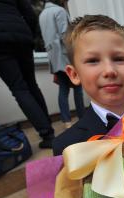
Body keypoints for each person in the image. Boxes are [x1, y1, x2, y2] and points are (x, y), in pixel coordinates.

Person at [52, 15, 124, 156]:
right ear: (74, 74)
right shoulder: (67, 147)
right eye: (93, 60)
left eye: (119, 59)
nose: (109, 71)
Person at [0, 0, 55, 148]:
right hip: (20, 37)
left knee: (20, 89)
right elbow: (30, 14)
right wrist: (27, 34)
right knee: (31, 85)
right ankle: (48, 127)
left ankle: (47, 134)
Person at [39, 0, 85, 129]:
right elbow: (66, 35)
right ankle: (82, 117)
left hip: (54, 59)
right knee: (78, 87)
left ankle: (66, 121)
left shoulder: (42, 14)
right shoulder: (59, 11)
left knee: (63, 90)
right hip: (65, 57)